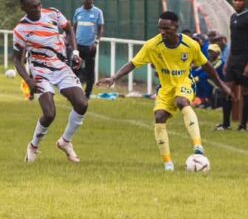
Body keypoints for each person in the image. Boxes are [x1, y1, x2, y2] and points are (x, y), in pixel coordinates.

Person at [97, 11, 233, 171]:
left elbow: (207, 66)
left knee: (181, 101)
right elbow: (133, 63)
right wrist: (114, 77)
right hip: (166, 87)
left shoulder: (190, 45)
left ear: (176, 27)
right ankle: (168, 164)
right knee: (159, 116)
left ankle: (198, 147)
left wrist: (222, 86)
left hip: (185, 82)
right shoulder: (152, 45)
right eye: (160, 28)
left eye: (166, 28)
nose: (162, 32)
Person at [13, 0, 87, 163]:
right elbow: (17, 60)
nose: (38, 8)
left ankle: (65, 142)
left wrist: (75, 53)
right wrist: (28, 80)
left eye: (39, 4)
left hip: (61, 67)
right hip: (40, 72)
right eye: (33, 6)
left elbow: (69, 29)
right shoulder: (21, 29)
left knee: (82, 103)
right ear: (24, 9)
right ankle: (33, 146)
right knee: (49, 114)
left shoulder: (53, 13)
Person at [216, 0, 248, 132]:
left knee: (245, 91)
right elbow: (233, 40)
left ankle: (243, 125)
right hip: (233, 59)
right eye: (235, 0)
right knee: (226, 90)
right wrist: (227, 60)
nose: (237, 2)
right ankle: (226, 124)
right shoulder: (233, 17)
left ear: (245, 1)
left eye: (240, 0)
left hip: (244, 60)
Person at [72, 0, 105, 99]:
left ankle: (87, 94)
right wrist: (73, 42)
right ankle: (75, 93)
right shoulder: (78, 11)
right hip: (78, 45)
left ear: (92, 0)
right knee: (75, 69)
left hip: (90, 46)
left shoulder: (97, 12)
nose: (86, 1)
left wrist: (97, 41)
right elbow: (74, 27)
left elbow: (100, 29)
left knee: (90, 70)